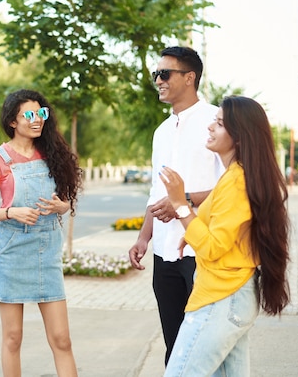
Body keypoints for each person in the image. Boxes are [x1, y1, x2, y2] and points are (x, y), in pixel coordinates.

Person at [159, 96, 290, 376]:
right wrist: (191, 231)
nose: (210, 127)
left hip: (222, 297)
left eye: (219, 124)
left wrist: (180, 202)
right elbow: (218, 227)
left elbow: (212, 248)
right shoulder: (236, 177)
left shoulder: (236, 181)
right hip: (232, 295)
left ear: (239, 137)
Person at [0, 89, 82, 377]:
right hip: (13, 253)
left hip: (47, 253)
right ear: (12, 121)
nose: (38, 120)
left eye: (42, 113)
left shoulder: (53, 154)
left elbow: (67, 202)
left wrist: (62, 206)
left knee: (62, 339)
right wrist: (11, 212)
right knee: (12, 338)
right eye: (30, 115)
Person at [128, 46, 223, 365]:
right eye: (156, 74)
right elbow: (157, 190)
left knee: (206, 345)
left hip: (202, 250)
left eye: (165, 73)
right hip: (164, 253)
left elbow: (232, 185)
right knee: (174, 344)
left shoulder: (217, 122)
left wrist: (184, 201)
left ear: (189, 77)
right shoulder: (162, 131)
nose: (158, 80)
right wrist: (144, 237)